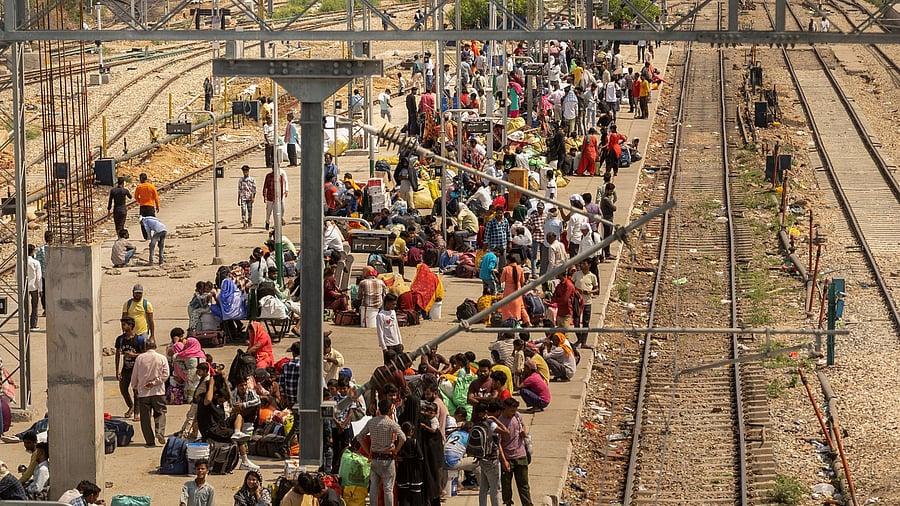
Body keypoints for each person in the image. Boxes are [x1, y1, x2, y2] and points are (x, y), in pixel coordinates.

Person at [196, 375, 260, 471]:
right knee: (234, 436)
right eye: (221, 401)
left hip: (220, 425)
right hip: (211, 430)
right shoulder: (206, 400)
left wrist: (225, 381)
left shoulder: (219, 397)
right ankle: (245, 461)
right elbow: (208, 399)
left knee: (238, 416)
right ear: (216, 396)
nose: (222, 403)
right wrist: (212, 383)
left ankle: (237, 432)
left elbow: (230, 397)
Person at [357, 398, 407, 506]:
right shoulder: (391, 423)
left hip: (375, 458)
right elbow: (403, 438)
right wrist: (396, 451)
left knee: (374, 488)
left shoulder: (371, 422)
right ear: (390, 409)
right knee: (388, 489)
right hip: (388, 459)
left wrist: (368, 451)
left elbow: (360, 437)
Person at [131, 339, 168, 446]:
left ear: (145, 347)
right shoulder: (162, 358)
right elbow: (166, 375)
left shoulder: (140, 358)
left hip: (143, 393)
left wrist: (135, 387)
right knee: (160, 412)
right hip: (158, 392)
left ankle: (149, 441)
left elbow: (135, 375)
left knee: (145, 418)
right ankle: (160, 432)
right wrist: (154, 382)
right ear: (155, 346)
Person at [498, 398, 532, 506]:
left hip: (521, 455)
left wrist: (523, 431)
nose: (513, 413)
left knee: (524, 485)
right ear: (506, 409)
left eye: (515, 410)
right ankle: (507, 503)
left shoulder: (517, 416)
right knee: (506, 485)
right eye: (511, 410)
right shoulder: (500, 422)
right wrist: (504, 461)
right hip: (508, 457)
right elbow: (498, 443)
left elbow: (523, 425)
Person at [472, 402, 507, 506]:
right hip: (492, 460)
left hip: (482, 459)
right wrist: (495, 419)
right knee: (494, 489)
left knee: (483, 488)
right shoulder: (490, 424)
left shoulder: (477, 424)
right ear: (485, 412)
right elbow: (506, 432)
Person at [115, 316, 145, 420]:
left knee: (136, 391)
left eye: (124, 325)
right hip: (125, 369)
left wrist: (134, 355)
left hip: (136, 369)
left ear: (131, 326)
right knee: (123, 389)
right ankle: (130, 406)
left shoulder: (139, 340)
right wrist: (117, 370)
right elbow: (118, 354)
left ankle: (137, 412)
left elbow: (145, 354)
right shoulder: (120, 339)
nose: (122, 327)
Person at [572, 259, 599, 349]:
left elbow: (597, 288)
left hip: (587, 302)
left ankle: (584, 342)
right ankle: (579, 339)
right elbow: (571, 285)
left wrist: (590, 292)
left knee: (586, 322)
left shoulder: (592, 276)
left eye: (584, 264)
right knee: (576, 321)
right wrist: (577, 290)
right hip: (577, 301)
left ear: (589, 265)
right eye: (581, 263)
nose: (582, 265)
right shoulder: (576, 274)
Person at [376, 294, 404, 363]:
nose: (395, 306)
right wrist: (384, 348)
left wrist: (400, 342)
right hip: (388, 345)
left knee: (400, 363)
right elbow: (380, 332)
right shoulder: (381, 315)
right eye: (393, 304)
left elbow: (396, 328)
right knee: (390, 365)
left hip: (396, 343)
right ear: (387, 303)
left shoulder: (393, 312)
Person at [279, 342, 302, 407]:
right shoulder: (304, 366)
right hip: (303, 400)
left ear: (293, 353)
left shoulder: (285, 365)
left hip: (290, 400)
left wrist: (283, 396)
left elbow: (281, 383)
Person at [25, 244, 41, 331]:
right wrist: (40, 289)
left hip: (24, 287)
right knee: (34, 306)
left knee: (25, 305)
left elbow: (16, 275)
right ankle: (33, 325)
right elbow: (38, 277)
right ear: (32, 252)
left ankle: (25, 320)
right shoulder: (36, 263)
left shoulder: (21, 262)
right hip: (34, 287)